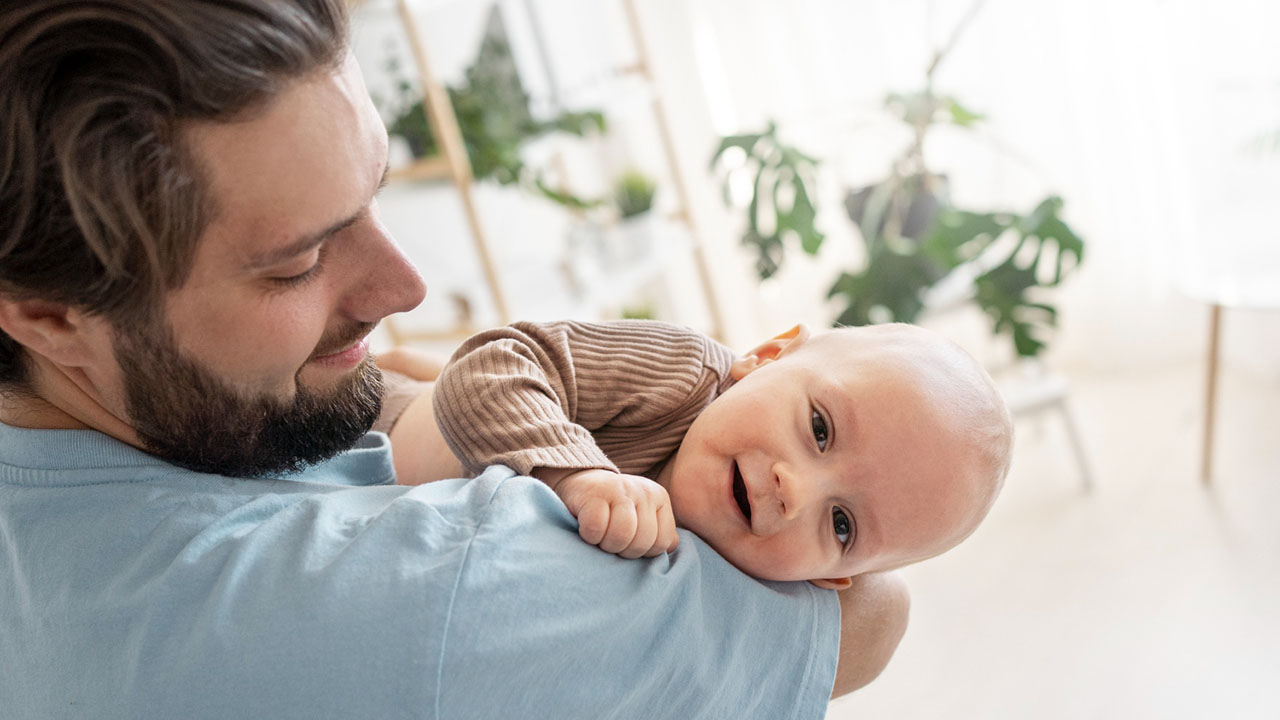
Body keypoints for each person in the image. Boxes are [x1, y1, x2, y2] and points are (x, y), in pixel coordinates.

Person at [0, 2, 908, 717]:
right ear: (49, 314)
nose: (404, 286)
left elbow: (402, 386)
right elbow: (862, 624)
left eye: (375, 195)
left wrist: (403, 396)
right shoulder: (439, 592)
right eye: (298, 264)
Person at [419, 319, 1012, 588]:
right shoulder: (681, 374)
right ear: (765, 356)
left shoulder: (748, 590)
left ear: (831, 579)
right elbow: (491, 362)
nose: (795, 490)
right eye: (820, 428)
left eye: (841, 524)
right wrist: (575, 473)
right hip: (385, 432)